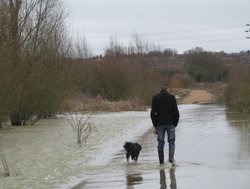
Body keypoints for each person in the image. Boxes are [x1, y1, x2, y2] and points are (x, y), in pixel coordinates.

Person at [151, 84, 179, 164]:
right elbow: (176, 112)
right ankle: (171, 159)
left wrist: (155, 125)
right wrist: (175, 123)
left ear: (160, 89)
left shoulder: (155, 98)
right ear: (167, 89)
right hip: (171, 123)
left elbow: (153, 113)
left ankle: (161, 162)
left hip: (160, 124)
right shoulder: (172, 97)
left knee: (160, 142)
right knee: (172, 141)